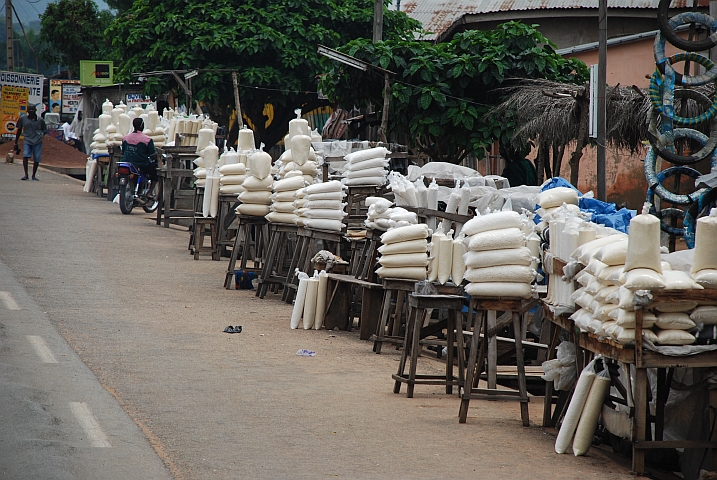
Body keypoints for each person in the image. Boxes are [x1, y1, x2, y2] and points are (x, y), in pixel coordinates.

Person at [122, 117, 158, 200]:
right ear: (142, 126)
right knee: (155, 172)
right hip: (141, 164)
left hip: (127, 163)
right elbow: (152, 154)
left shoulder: (125, 138)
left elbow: (123, 151)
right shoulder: (147, 140)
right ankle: (149, 192)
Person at [15, 104, 47, 181]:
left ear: (35, 110)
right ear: (27, 111)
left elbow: (44, 130)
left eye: (33, 109)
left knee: (37, 158)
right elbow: (19, 130)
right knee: (25, 155)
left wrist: (40, 135)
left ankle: (34, 175)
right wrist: (16, 142)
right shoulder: (23, 119)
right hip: (27, 139)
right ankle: (26, 174)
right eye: (30, 109)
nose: (31, 111)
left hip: (37, 141)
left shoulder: (40, 120)